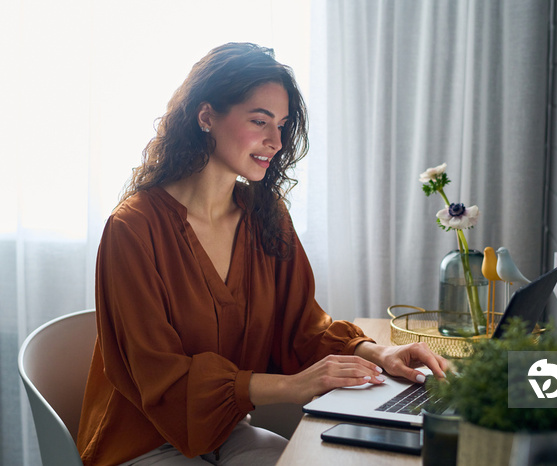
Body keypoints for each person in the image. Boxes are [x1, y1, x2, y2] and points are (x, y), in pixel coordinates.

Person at [77, 43, 448, 466]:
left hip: (224, 429)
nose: (275, 141)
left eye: (282, 125)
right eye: (259, 121)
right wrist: (293, 387)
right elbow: (160, 376)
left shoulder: (265, 215)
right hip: (141, 441)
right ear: (206, 117)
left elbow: (302, 328)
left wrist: (379, 353)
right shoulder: (133, 228)